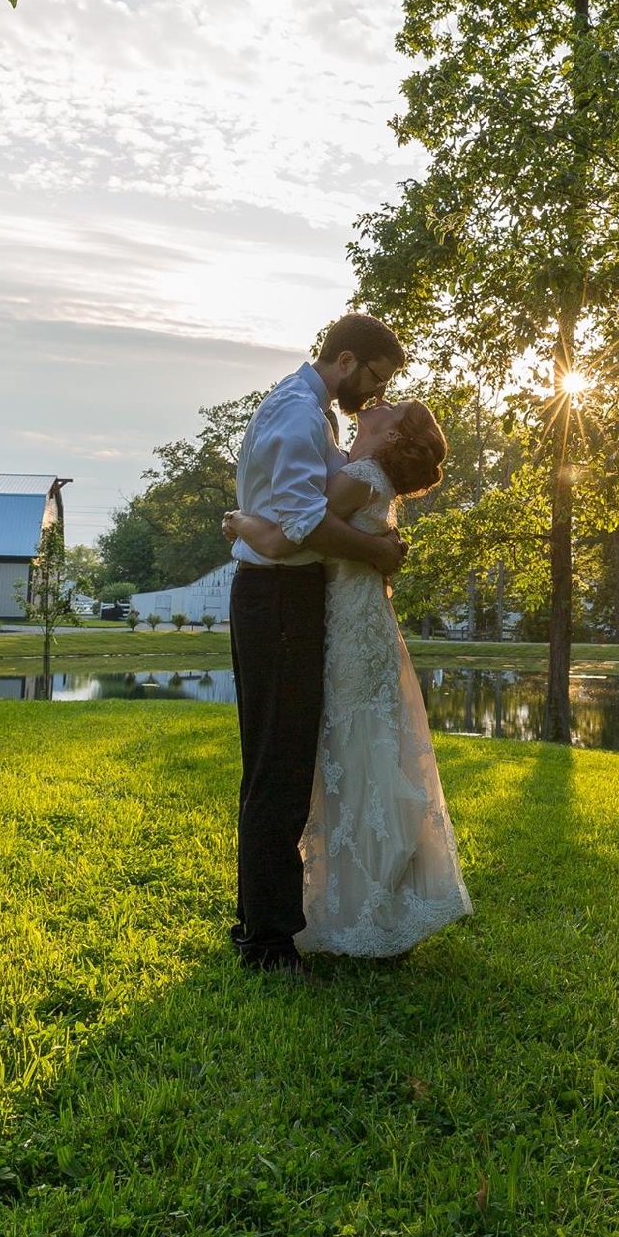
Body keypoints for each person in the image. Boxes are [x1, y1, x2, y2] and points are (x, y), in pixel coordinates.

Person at [226, 395, 473, 960]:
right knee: (367, 755)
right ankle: (374, 893)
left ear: (391, 438)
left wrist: (238, 519)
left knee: (345, 756)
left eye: (393, 405)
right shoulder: (351, 467)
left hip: (344, 628)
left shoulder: (357, 478)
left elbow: (288, 534)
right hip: (362, 624)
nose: (380, 399)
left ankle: (353, 902)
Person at [226, 313, 407, 973]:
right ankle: (270, 944)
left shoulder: (311, 412)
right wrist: (378, 553)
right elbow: (302, 523)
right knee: (279, 768)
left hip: (284, 595)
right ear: (347, 359)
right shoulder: (300, 415)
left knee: (279, 762)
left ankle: (258, 919)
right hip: (275, 596)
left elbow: (296, 509)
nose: (376, 393)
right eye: (376, 377)